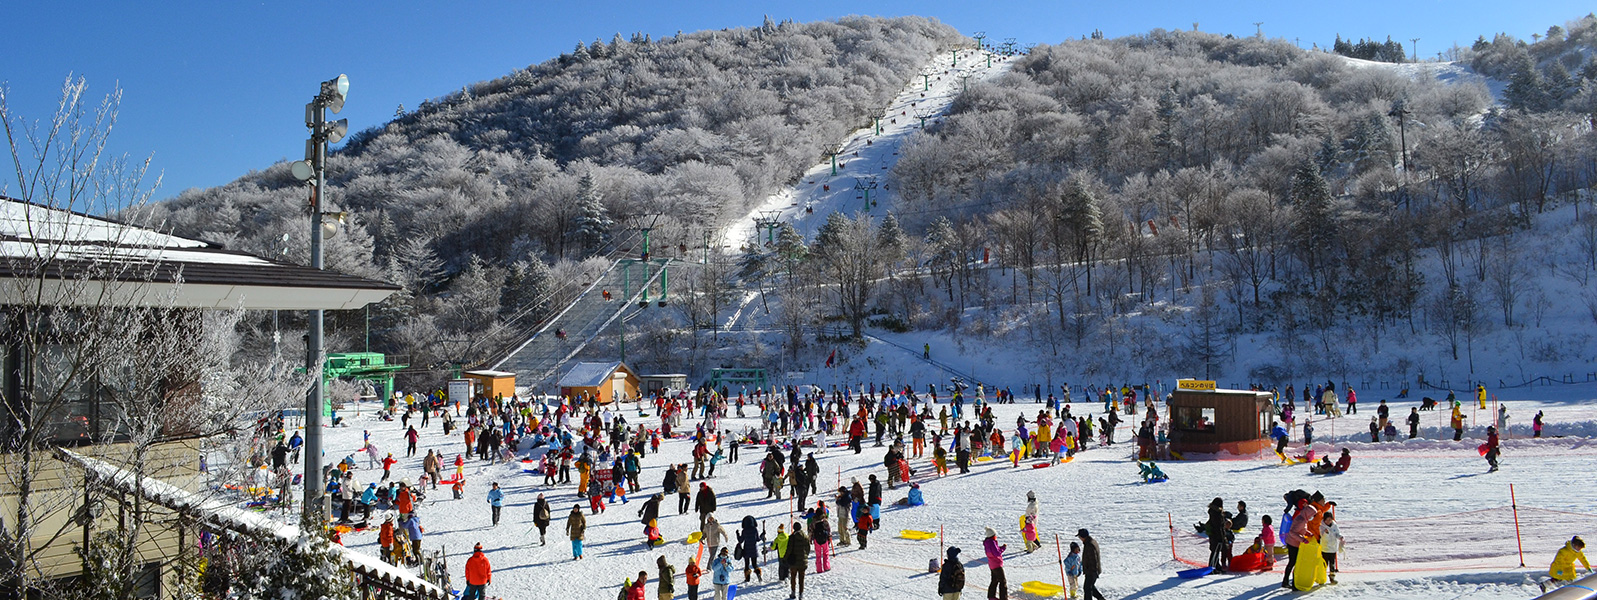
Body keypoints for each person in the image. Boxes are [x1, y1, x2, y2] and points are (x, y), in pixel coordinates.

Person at [1077, 529, 1105, 600]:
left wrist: (1092, 571)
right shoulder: (1091, 542)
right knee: (1090, 586)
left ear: (1083, 536)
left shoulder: (1089, 545)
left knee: (1087, 588)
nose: (1080, 539)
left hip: (1091, 570)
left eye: (1080, 537)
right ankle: (1101, 598)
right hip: (1092, 570)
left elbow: (1093, 559)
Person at [786, 520, 810, 599]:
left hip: (793, 561)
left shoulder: (792, 537)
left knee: (793, 577)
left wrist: (785, 558)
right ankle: (801, 594)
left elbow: (789, 550)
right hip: (803, 561)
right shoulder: (805, 537)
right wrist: (805, 556)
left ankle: (793, 593)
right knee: (801, 578)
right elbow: (808, 549)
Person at [736, 515, 763, 582]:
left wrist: (737, 534)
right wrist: (762, 535)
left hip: (746, 549)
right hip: (754, 549)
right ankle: (758, 574)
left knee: (747, 565)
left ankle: (747, 578)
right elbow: (758, 539)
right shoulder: (755, 530)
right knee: (754, 564)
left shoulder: (744, 531)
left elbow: (741, 540)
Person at [984, 527, 1009, 600]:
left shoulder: (987, 542)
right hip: (997, 564)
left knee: (994, 581)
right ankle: (1003, 598)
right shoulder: (992, 542)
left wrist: (1000, 547)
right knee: (1002, 581)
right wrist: (1003, 548)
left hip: (992, 564)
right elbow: (997, 553)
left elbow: (995, 550)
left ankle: (991, 596)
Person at [1320, 510, 1343, 584]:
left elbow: (1336, 533)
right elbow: (1322, 537)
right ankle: (1322, 577)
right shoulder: (1321, 526)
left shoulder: (1334, 525)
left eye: (1330, 520)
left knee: (1332, 564)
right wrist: (1326, 534)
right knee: (1324, 564)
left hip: (1333, 548)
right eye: (1327, 520)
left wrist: (1340, 537)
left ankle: (1332, 577)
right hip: (1325, 548)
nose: (1329, 522)